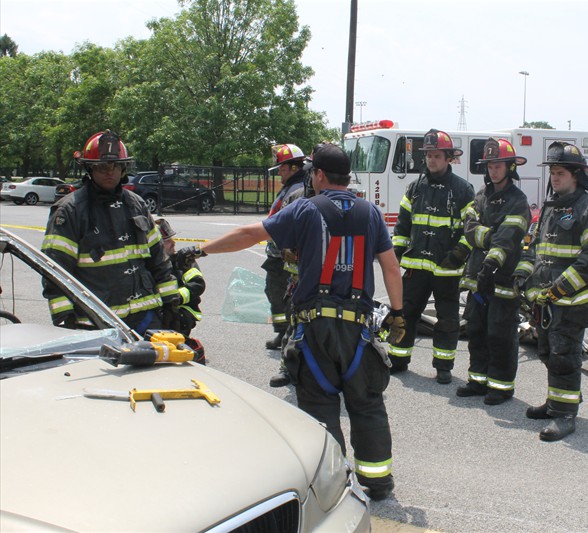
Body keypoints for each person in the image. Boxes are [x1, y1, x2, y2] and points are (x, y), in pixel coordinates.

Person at [176, 144, 404, 501]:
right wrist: (400, 313)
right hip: (359, 329)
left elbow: (249, 235)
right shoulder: (370, 213)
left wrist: (201, 250)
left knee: (320, 406)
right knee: (367, 403)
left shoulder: (306, 209)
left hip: (316, 329)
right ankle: (379, 482)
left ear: (319, 175)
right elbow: (391, 267)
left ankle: (334, 483)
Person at [513, 142, 588, 441]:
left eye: (561, 173)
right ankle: (557, 401)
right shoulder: (551, 207)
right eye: (553, 172)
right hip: (545, 301)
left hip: (571, 302)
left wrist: (555, 291)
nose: (555, 178)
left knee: (565, 356)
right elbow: (535, 248)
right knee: (547, 352)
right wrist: (523, 277)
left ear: (577, 176)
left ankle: (566, 414)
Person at [42, 130, 179, 333]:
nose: (110, 171)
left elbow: (158, 260)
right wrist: (65, 319)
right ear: (89, 168)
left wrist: (171, 304)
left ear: (123, 168)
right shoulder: (70, 211)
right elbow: (55, 271)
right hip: (96, 325)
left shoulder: (136, 205)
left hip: (147, 320)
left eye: (115, 165)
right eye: (102, 166)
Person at [390, 128, 475, 384]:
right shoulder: (414, 188)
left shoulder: (463, 190)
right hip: (416, 267)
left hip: (446, 270)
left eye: (436, 155)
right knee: (404, 313)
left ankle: (443, 366)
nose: (431, 160)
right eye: (428, 155)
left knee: (447, 319)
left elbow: (470, 229)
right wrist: (395, 254)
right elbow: (403, 226)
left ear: (448, 158)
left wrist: (458, 254)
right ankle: (398, 358)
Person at [456, 139, 531, 405]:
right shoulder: (482, 195)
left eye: (498, 165)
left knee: (500, 334)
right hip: (479, 279)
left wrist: (490, 263)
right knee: (476, 330)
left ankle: (501, 387)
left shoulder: (517, 201)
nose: (493, 170)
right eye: (489, 165)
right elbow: (468, 224)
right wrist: (489, 234)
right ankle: (478, 380)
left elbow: (508, 238)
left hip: (501, 279)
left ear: (510, 167)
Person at [262, 144, 308, 352]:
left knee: (280, 293)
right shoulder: (291, 187)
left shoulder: (297, 191)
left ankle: (285, 334)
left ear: (294, 168)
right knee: (276, 292)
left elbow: (289, 224)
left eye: (282, 167)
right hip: (279, 252)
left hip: (284, 255)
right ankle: (282, 332)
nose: (279, 171)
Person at [155, 218, 205, 339]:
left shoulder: (183, 261)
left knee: (173, 316)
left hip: (182, 310)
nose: (173, 243)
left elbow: (198, 285)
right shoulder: (150, 264)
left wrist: (176, 298)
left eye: (172, 238)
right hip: (159, 308)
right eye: (167, 240)